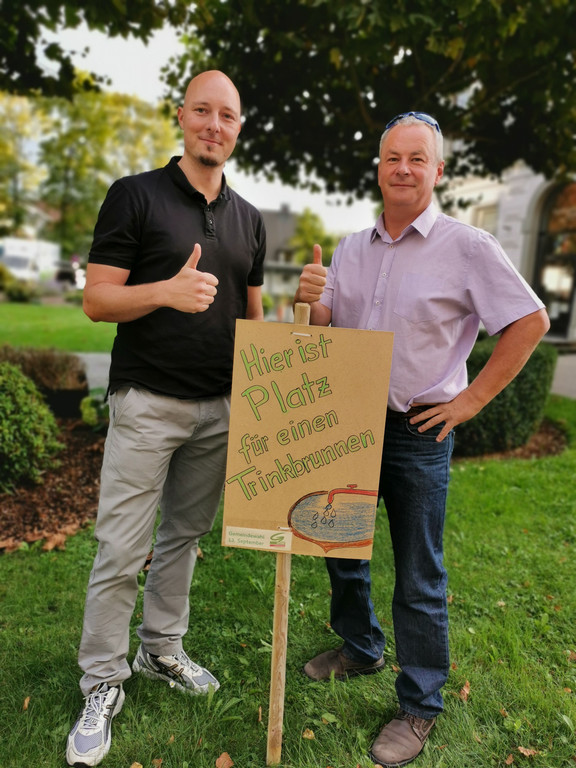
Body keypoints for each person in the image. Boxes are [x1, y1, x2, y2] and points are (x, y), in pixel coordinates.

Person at [294, 111, 550, 767]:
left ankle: (419, 705)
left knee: (419, 573)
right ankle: (361, 648)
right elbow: (325, 328)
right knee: (341, 547)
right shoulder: (351, 247)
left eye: (416, 158)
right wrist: (313, 299)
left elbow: (529, 320)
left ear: (437, 171)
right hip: (348, 422)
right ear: (378, 168)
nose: (403, 169)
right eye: (392, 158)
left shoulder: (468, 247)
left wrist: (471, 401)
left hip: (418, 431)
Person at [66, 70, 266, 768]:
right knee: (122, 547)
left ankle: (161, 650)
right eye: (203, 111)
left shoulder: (250, 218)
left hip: (219, 407)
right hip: (148, 402)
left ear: (239, 128)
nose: (215, 125)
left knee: (183, 536)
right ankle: (102, 681)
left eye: (227, 115)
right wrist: (167, 291)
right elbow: (97, 300)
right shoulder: (135, 195)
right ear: (182, 117)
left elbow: (254, 320)